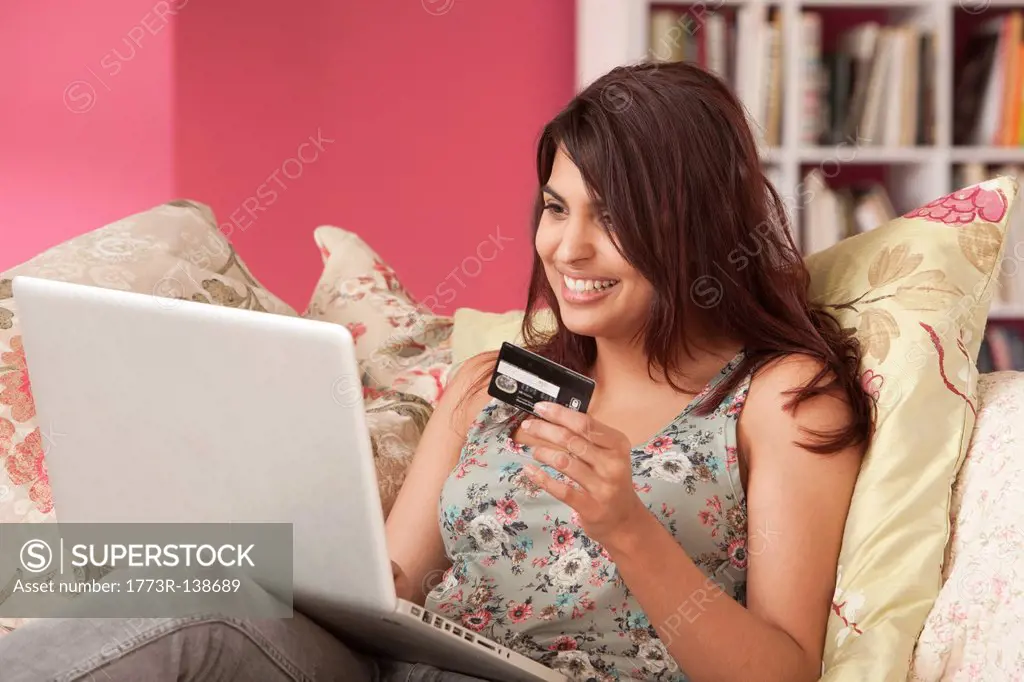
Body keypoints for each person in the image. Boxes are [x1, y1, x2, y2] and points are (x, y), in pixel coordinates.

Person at [0, 60, 873, 682]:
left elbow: (782, 671)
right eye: (556, 208)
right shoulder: (492, 384)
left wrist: (630, 529)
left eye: (612, 219)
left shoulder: (779, 397)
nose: (569, 249)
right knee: (157, 579)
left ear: (695, 226)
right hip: (393, 666)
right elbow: (392, 588)